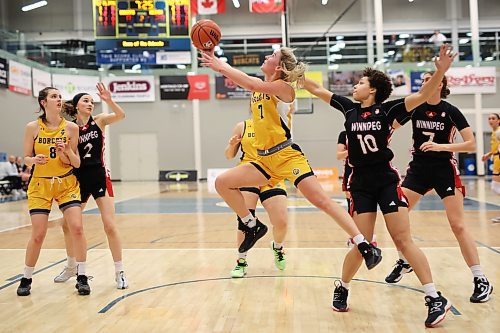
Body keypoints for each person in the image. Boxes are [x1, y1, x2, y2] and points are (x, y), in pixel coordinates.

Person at [303, 44, 455, 328]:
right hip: (359, 183)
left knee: (402, 239)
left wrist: (441, 71)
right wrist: (296, 76)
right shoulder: (348, 108)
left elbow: (422, 95)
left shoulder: (389, 111)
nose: (354, 86)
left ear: (371, 90)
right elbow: (316, 90)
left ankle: (434, 297)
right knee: (363, 241)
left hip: (386, 180)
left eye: (360, 82)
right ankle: (344, 286)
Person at [199, 47, 382, 274]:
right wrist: (221, 65)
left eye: (271, 56)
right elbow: (251, 83)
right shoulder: (258, 87)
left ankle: (364, 245)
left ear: (278, 67)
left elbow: (252, 83)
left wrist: (220, 66)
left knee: (322, 201)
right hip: (264, 160)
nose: (266, 56)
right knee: (222, 182)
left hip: (286, 156)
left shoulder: (283, 88)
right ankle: (252, 225)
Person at [385, 72, 493, 303]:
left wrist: (441, 147)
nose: (424, 82)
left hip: (444, 169)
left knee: (457, 225)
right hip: (418, 170)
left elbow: (471, 144)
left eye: (429, 79)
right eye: (423, 79)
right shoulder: (415, 107)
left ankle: (481, 278)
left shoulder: (451, 111)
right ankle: (404, 260)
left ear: (440, 85)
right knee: (396, 216)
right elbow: (390, 126)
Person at [17, 87, 90, 296]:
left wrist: (66, 151)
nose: (58, 99)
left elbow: (75, 163)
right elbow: (26, 158)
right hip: (40, 184)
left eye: (59, 96)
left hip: (66, 183)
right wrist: (33, 160)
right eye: (54, 96)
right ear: (43, 102)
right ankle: (26, 277)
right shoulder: (32, 127)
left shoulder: (71, 128)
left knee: (76, 227)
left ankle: (82, 275)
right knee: (39, 234)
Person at [58, 83, 128, 289]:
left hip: (99, 175)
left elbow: (121, 115)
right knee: (66, 225)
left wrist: (109, 100)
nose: (90, 104)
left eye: (92, 101)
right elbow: (69, 158)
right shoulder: (70, 128)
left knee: (109, 225)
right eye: (86, 101)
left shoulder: (100, 121)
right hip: (77, 178)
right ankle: (71, 266)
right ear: (77, 105)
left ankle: (119, 271)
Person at [225, 115, 289, 277]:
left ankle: (278, 246)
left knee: (281, 221)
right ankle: (241, 261)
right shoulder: (242, 126)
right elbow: (229, 155)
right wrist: (232, 145)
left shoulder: (277, 123)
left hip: (271, 174)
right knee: (245, 221)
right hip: (247, 173)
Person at [338, 132, 377, 248]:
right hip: (350, 174)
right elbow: (339, 155)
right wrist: (354, 151)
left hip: (369, 173)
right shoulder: (344, 134)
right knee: (352, 207)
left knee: (368, 207)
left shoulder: (371, 132)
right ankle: (355, 237)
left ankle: (370, 236)